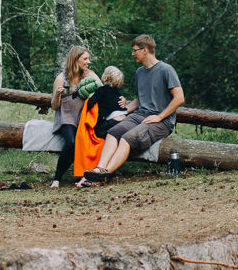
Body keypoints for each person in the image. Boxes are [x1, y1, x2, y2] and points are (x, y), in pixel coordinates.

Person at [84, 34, 184, 183]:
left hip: (161, 122)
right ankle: (99, 169)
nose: (132, 54)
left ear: (145, 50)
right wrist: (123, 109)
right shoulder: (140, 72)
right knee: (112, 133)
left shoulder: (166, 70)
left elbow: (179, 98)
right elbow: (139, 100)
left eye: (135, 50)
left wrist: (160, 117)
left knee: (127, 138)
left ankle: (105, 175)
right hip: (139, 115)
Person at [50, 45, 100, 188]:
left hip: (84, 118)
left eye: (88, 59)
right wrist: (58, 95)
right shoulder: (61, 78)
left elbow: (103, 90)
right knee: (72, 142)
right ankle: (57, 178)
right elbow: (54, 106)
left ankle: (85, 175)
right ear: (75, 60)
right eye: (85, 59)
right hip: (67, 118)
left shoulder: (90, 75)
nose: (88, 62)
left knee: (88, 141)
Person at [73, 65, 126, 187]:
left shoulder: (102, 90)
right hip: (123, 119)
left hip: (113, 121)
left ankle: (90, 172)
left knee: (95, 134)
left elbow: (91, 102)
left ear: (106, 78)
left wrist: (83, 98)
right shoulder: (117, 92)